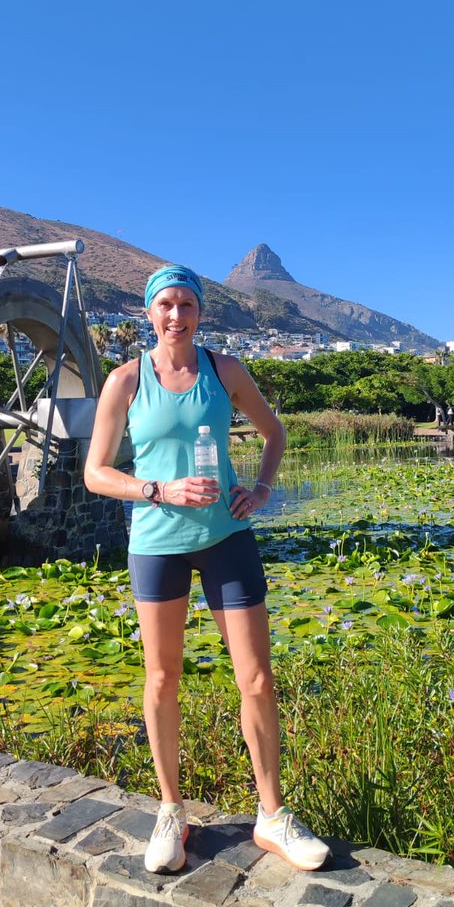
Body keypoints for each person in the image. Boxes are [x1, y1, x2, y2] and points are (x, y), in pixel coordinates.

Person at [84, 264, 330, 874]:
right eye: (165, 304)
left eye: (186, 305)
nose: (176, 315)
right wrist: (158, 490)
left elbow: (273, 433)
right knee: (163, 678)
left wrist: (263, 489)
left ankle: (271, 815)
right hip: (157, 542)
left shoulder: (226, 372)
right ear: (149, 312)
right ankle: (171, 811)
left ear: (200, 313)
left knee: (257, 680)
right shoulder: (125, 381)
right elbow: (95, 472)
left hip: (227, 538)